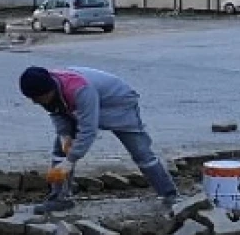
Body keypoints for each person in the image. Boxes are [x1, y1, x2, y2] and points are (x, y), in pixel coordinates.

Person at [18, 66, 180, 213]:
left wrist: (71, 159)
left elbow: (88, 130)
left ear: (48, 91)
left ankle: (169, 194)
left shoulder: (79, 89)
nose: (34, 102)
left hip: (119, 105)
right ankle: (59, 198)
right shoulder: (47, 87)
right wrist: (65, 141)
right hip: (82, 106)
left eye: (37, 98)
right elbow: (58, 115)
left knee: (141, 153)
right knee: (60, 150)